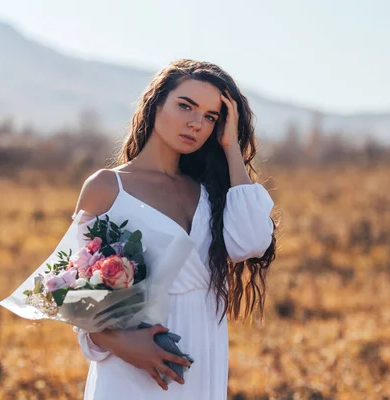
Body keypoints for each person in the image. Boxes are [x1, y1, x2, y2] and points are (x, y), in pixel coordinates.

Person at [72, 59, 277, 399]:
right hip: (133, 365)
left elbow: (252, 242)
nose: (196, 123)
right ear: (156, 105)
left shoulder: (210, 191)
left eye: (211, 117)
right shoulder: (108, 187)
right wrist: (125, 345)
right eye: (185, 106)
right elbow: (77, 299)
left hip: (201, 354)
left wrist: (231, 150)